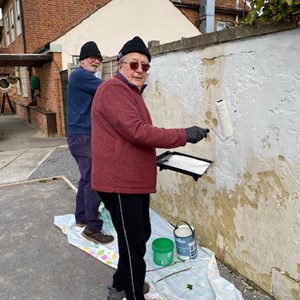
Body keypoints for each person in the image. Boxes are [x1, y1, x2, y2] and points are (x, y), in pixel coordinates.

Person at [91, 36, 209, 300]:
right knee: (134, 246)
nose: (140, 70)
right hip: (119, 184)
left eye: (145, 66)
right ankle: (133, 293)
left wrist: (153, 159)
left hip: (131, 181)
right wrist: (184, 134)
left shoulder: (130, 93)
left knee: (140, 233)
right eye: (134, 64)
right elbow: (137, 132)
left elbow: (124, 138)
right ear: (120, 65)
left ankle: (120, 284)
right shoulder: (113, 90)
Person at [67, 41, 114, 245]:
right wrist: (132, 87)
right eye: (91, 57)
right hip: (83, 137)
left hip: (79, 136)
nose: (96, 60)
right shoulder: (80, 75)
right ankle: (93, 229)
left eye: (98, 57)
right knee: (94, 181)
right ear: (82, 60)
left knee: (86, 179)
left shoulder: (84, 78)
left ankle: (82, 217)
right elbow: (108, 89)